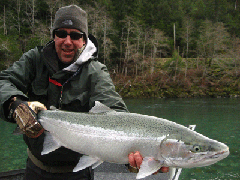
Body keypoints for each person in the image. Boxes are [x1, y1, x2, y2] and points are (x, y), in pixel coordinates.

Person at [0, 4, 168, 180]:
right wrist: (14, 103)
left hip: (78, 172)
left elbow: (114, 110)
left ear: (84, 40)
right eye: (61, 33)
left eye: (75, 35)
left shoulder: (95, 71)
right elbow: (3, 82)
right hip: (36, 168)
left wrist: (131, 154)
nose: (67, 41)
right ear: (54, 36)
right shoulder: (34, 60)